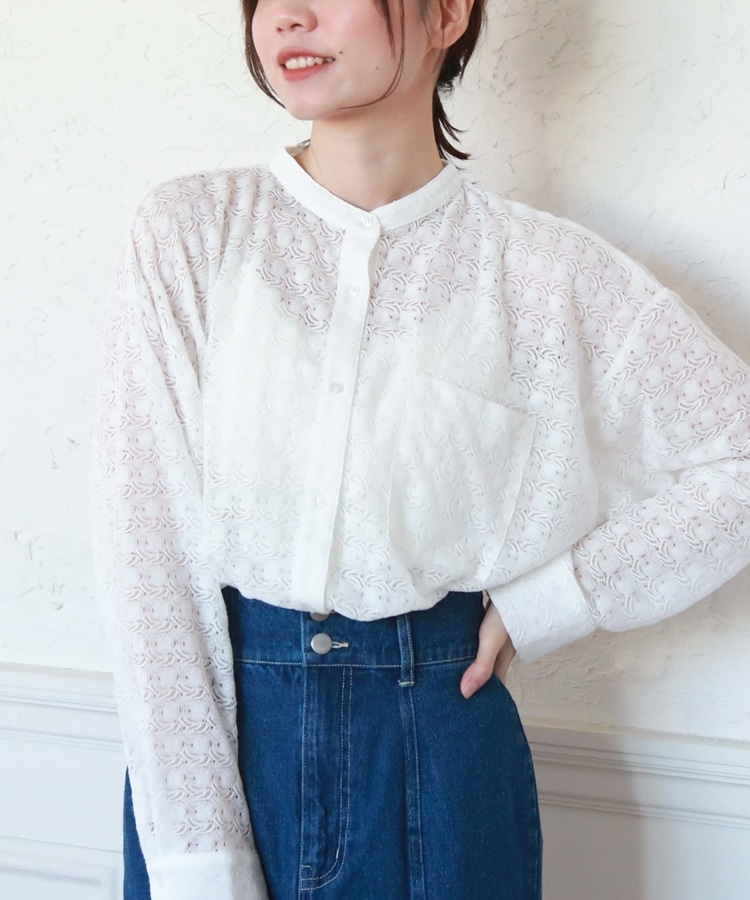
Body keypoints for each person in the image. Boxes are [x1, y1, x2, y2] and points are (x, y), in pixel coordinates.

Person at [91, 1, 750, 898]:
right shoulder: (194, 233)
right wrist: (199, 858)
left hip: (445, 751)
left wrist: (553, 600)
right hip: (222, 749)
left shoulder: (544, 271)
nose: (286, 17)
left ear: (446, 13)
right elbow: (149, 555)